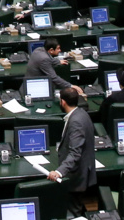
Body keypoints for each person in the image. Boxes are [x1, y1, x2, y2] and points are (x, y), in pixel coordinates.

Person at [47, 86, 96, 217]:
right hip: (79, 171)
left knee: (74, 211)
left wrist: (58, 172)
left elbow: (75, 153)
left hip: (77, 176)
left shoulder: (76, 122)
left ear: (62, 102)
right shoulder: (81, 113)